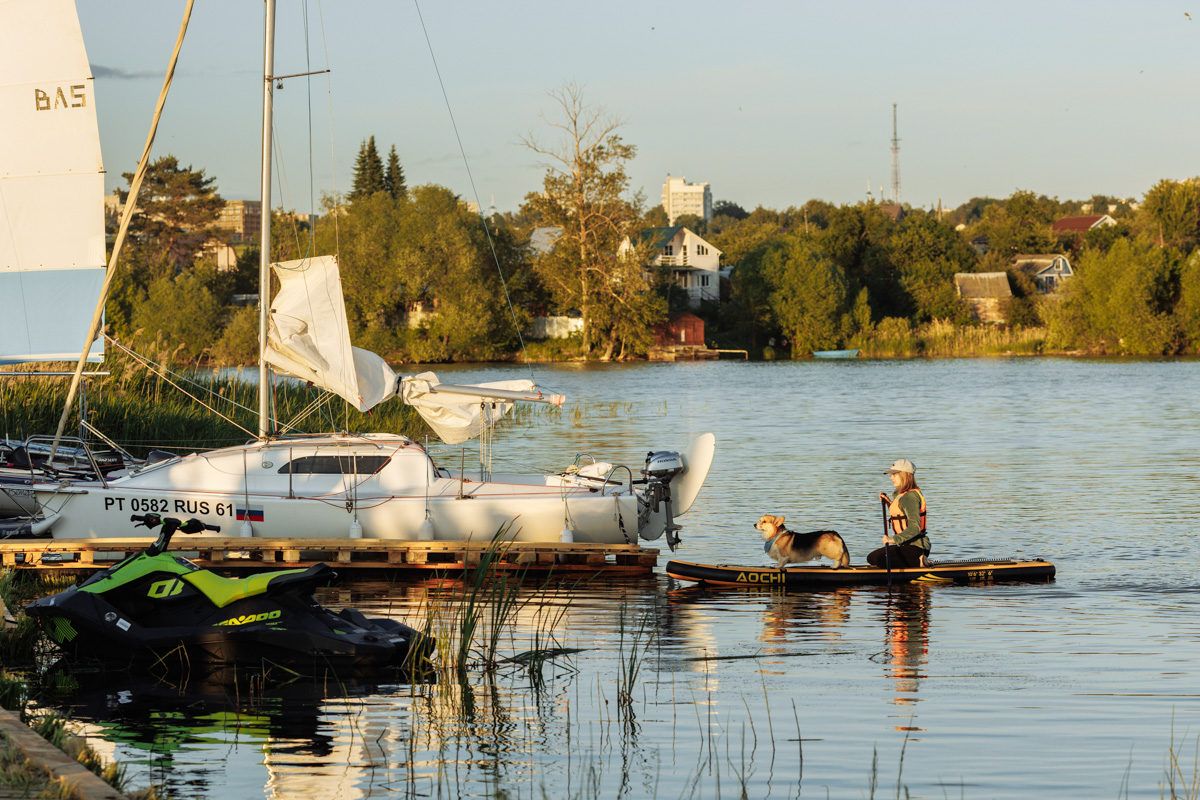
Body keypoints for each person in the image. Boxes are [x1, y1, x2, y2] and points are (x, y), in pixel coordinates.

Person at [867, 459, 930, 569]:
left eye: (894, 474)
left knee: (881, 561)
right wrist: (888, 503)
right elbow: (901, 514)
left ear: (905, 475)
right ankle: (914, 561)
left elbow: (915, 528)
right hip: (905, 545)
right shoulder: (902, 495)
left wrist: (893, 540)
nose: (891, 478)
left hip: (917, 547)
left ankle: (920, 562)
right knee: (872, 558)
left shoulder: (910, 497)